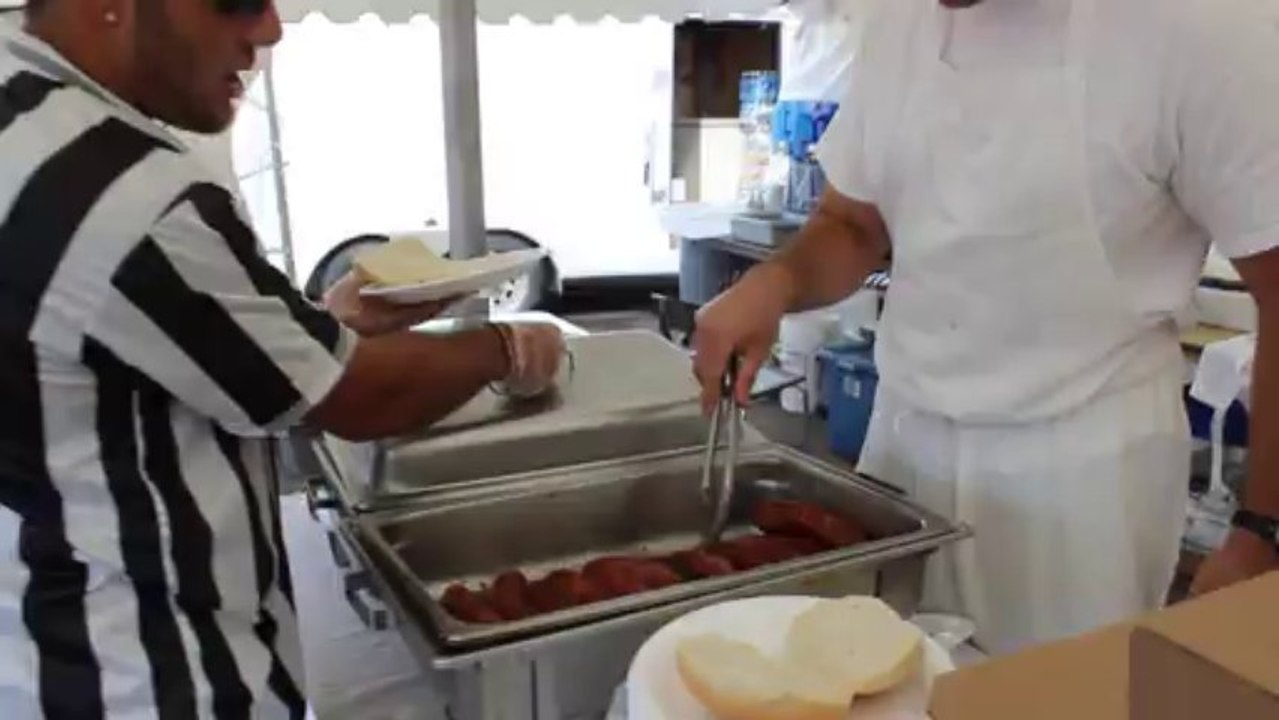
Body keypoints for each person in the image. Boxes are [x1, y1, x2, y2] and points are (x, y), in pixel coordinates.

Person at [0, 1, 565, 717]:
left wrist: (318, 327)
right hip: (149, 670)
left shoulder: (17, 104)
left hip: (38, 626)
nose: (268, 29)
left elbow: (106, 340)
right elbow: (359, 399)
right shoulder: (120, 188)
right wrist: (505, 346)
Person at [695, 0, 1279, 654]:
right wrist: (775, 283)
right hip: (902, 445)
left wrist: (1262, 532)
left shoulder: (1195, 26)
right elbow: (854, 223)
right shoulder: (899, 23)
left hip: (1078, 480)